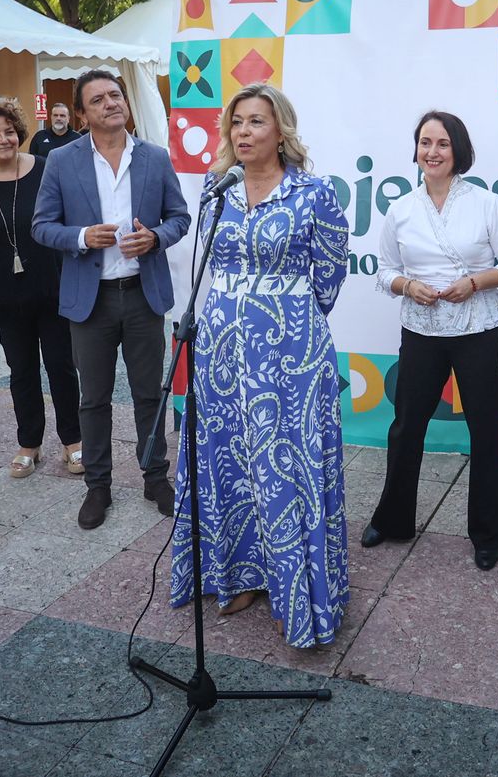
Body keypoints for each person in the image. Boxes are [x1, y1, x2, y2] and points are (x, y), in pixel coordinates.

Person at [167, 83, 351, 647]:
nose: (243, 133)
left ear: (281, 131)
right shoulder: (214, 186)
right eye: (237, 123)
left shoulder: (315, 193)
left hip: (290, 351)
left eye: (256, 122)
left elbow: (330, 275)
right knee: (229, 459)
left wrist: (280, 312)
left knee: (286, 463)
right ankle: (237, 576)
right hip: (220, 346)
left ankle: (293, 586)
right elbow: (207, 260)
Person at [365, 111, 498, 571]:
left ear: (458, 151)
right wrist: (406, 287)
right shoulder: (401, 209)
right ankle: (394, 519)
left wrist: (476, 282)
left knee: (486, 428)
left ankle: (487, 533)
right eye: (424, 143)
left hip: (478, 330)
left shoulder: (486, 203)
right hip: (421, 330)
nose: (432, 152)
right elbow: (383, 269)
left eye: (441, 143)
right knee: (406, 427)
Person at [32, 69, 190, 529]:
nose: (111, 103)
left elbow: (179, 217)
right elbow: (42, 226)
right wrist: (82, 235)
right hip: (91, 300)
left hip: (143, 295)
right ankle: (97, 485)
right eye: (98, 99)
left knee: (148, 395)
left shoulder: (155, 158)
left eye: (116, 95)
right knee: (94, 398)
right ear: (81, 114)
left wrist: (156, 238)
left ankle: (155, 477)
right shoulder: (62, 161)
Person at [0, 99, 82, 479]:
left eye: (9, 131)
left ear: (20, 133)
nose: (3, 140)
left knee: (61, 365)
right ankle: (30, 443)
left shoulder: (45, 170)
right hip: (4, 292)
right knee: (20, 369)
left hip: (51, 285)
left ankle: (73, 442)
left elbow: (68, 216)